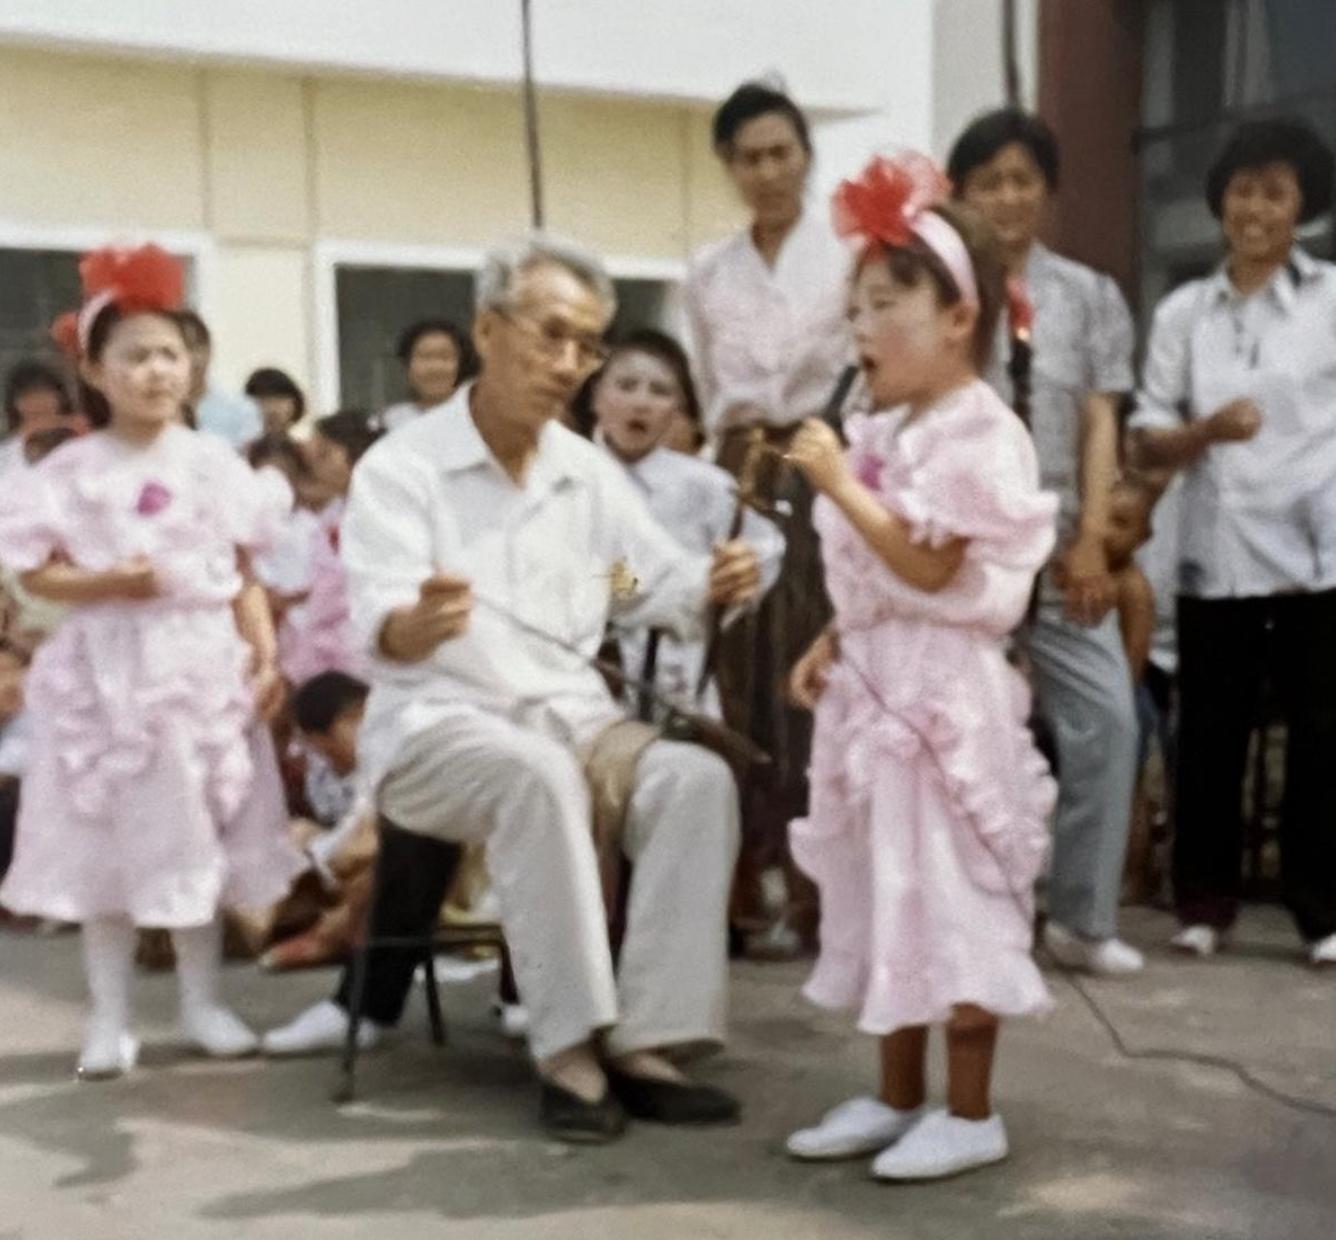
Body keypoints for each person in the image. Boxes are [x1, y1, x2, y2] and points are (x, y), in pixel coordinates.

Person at [263, 234, 764, 1142]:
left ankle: (647, 1039)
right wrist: (417, 621)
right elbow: (382, 618)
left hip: (571, 716)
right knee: (535, 772)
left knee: (696, 781)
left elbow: (627, 583)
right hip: (434, 726)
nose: (570, 363)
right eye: (552, 335)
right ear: (489, 330)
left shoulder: (586, 473)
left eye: (587, 345)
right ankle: (568, 1050)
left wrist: (706, 582)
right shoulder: (405, 467)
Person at [782, 154, 1057, 1181]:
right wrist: (832, 637)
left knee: (950, 885)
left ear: (956, 316)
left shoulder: (983, 433)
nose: (860, 328)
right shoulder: (884, 428)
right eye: (854, 306)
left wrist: (834, 484)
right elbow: (874, 578)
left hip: (944, 696)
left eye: (884, 303)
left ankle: (972, 1107)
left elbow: (929, 562)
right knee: (881, 881)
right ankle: (897, 1094)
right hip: (877, 683)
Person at [0, 245, 303, 1079]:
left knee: (195, 833)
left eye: (169, 354)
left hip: (200, 666)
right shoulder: (71, 468)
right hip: (109, 671)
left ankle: (203, 1004)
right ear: (95, 370)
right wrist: (111, 581)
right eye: (134, 356)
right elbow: (35, 571)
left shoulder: (213, 463)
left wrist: (266, 652)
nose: (155, 371)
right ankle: (110, 1017)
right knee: (112, 843)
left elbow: (241, 572)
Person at [1129, 117, 1336, 966]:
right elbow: (1147, 434)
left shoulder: (1332, 301)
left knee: (1324, 742)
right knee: (1211, 737)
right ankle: (1204, 906)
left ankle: (1323, 914)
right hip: (1215, 557)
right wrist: (1203, 432)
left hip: (1317, 561)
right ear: (1220, 203)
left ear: (1303, 208)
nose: (1256, 208)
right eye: (1242, 190)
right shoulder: (1185, 312)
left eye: (1275, 193)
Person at [950, 107, 1144, 976]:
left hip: (1066, 545)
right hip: (966, 552)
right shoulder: (946, 290)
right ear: (961, 194)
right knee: (954, 726)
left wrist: (1095, 537)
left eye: (1023, 179)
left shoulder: (1089, 294)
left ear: (1049, 193)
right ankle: (956, 911)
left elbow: (1100, 419)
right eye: (989, 181)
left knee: (1105, 714)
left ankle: (1079, 917)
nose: (1007, 196)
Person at [685, 79, 853, 950]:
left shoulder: (853, 252)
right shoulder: (708, 271)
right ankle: (740, 884)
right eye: (748, 158)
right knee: (736, 666)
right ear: (728, 166)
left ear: (807, 156)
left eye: (781, 153)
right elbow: (710, 391)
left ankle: (819, 893)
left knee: (814, 667)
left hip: (824, 461)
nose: (767, 172)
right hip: (739, 465)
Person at [583, 328, 784, 719]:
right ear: (595, 395)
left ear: (677, 408)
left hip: (676, 670)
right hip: (585, 667)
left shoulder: (704, 484)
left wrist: (738, 571)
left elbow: (766, 545)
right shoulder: (568, 472)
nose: (641, 402)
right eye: (625, 386)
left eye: (660, 391)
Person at [276, 410, 383, 687]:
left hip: (366, 646)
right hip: (328, 646)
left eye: (324, 454)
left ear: (358, 456)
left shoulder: (385, 517)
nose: (315, 466)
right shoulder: (331, 518)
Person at [175, 309, 263, 448]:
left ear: (209, 350)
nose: (190, 358)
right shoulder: (149, 411)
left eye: (194, 347)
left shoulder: (240, 409)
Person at [381, 318, 477, 433]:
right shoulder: (389, 422)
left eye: (445, 357)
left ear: (462, 365)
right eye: (425, 357)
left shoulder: (480, 421)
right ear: (406, 367)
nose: (435, 368)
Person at [1, 359, 78, 476]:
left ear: (62, 400)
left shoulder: (80, 449)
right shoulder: (4, 457)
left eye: (45, 395)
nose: (38, 404)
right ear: (14, 404)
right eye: (28, 396)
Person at [244, 367, 306, 435]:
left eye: (280, 399)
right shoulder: (236, 444)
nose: (272, 409)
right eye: (264, 400)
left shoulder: (306, 445)